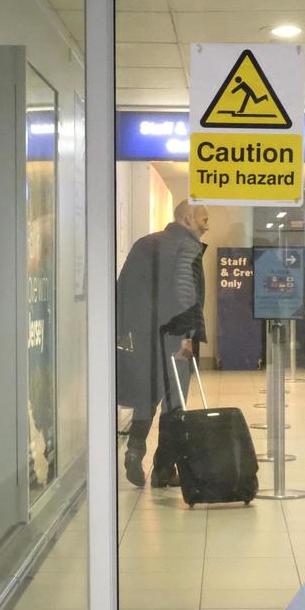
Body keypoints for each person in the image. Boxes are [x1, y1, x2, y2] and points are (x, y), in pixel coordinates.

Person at [115, 200, 209, 488]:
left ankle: (134, 450)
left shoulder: (144, 244)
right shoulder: (188, 248)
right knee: (174, 403)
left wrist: (121, 331)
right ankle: (164, 469)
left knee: (147, 394)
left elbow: (123, 289)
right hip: (175, 338)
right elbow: (187, 296)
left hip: (143, 336)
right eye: (203, 218)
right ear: (187, 218)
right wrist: (188, 337)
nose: (207, 225)